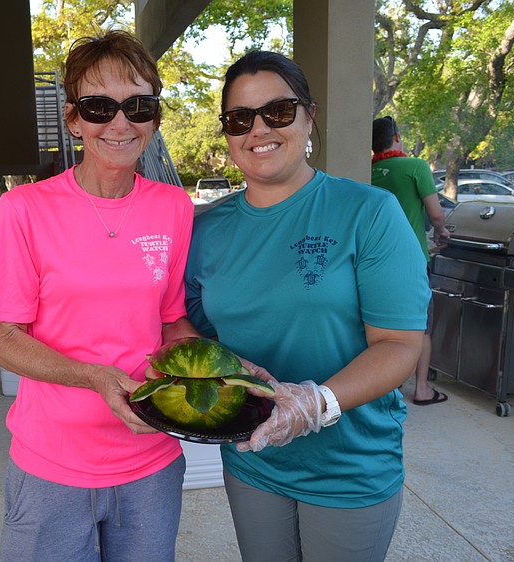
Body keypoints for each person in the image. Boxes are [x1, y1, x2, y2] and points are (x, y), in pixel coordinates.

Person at [184, 50, 431, 562]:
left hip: (351, 466)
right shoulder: (203, 232)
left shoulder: (369, 213)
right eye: (239, 119)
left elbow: (400, 344)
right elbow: (193, 328)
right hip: (254, 459)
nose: (259, 130)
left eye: (277, 111)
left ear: (308, 115)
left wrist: (317, 403)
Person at [0, 30, 200, 561]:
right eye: (99, 107)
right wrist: (95, 377)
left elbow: (171, 320)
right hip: (52, 463)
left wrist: (218, 367)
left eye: (137, 105)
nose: (120, 123)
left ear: (155, 118)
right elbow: (4, 339)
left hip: (152, 455)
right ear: (74, 119)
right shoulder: (25, 209)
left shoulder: (174, 207)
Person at [371, 116, 451, 406]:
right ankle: (422, 388)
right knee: (419, 324)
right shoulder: (415, 166)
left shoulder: (368, 171)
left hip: (374, 260)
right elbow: (437, 214)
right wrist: (442, 231)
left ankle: (382, 385)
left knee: (376, 322)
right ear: (396, 137)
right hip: (411, 260)